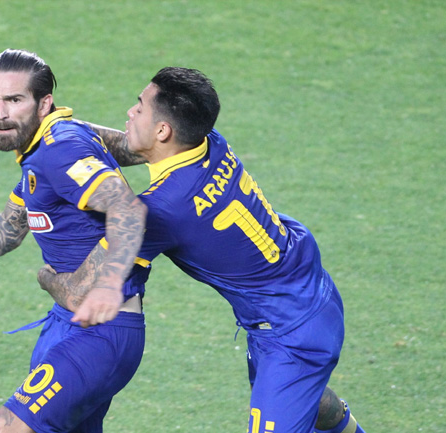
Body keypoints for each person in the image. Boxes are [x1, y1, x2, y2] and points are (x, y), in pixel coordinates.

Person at [38, 67, 365, 433]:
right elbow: (129, 146)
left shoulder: (161, 210)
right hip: (311, 292)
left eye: (139, 107)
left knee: (295, 390)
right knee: (307, 400)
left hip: (291, 335)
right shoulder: (210, 142)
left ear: (164, 131)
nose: (130, 112)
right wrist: (59, 131)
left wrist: (46, 277)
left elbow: (79, 292)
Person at [0, 48, 150, 433]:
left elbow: (127, 208)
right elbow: (7, 229)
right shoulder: (41, 151)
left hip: (101, 331)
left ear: (43, 103)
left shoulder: (60, 149)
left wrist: (105, 285)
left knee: (4, 428)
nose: (0, 113)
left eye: (14, 100)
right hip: (68, 323)